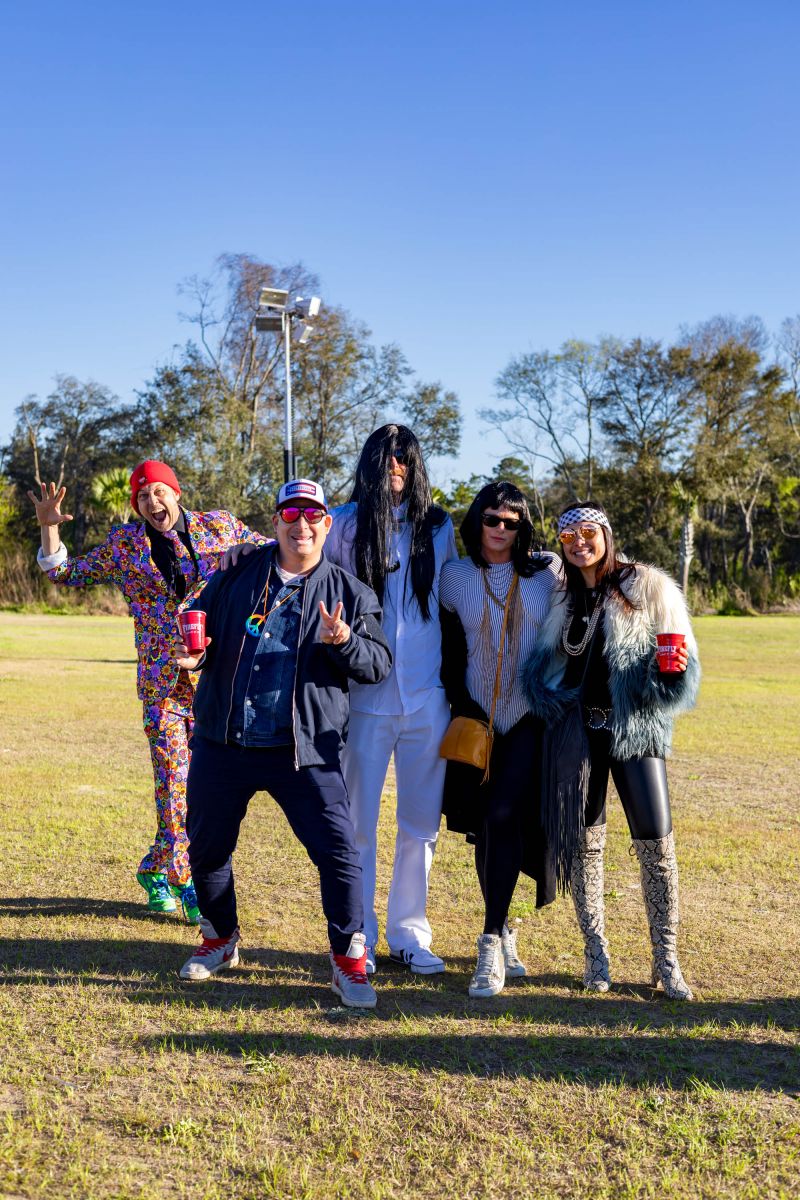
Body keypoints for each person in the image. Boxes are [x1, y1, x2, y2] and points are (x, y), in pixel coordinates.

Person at [174, 479, 392, 1009]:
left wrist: (343, 641)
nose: (302, 525)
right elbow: (195, 617)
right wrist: (197, 654)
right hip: (224, 739)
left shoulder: (352, 593)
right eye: (291, 515)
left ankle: (347, 960)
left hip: (305, 749)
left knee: (339, 853)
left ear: (327, 524)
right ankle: (220, 937)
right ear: (275, 522)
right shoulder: (235, 573)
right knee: (205, 848)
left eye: (313, 516)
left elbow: (378, 664)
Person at [28, 462, 269, 922]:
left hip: (216, 681)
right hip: (162, 689)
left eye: (160, 492)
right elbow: (64, 573)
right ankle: (189, 881)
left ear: (176, 493)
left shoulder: (218, 526)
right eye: (143, 497)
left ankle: (155, 869)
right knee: (175, 786)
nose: (153, 503)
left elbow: (275, 555)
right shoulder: (125, 545)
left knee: (207, 791)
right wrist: (48, 532)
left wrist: (244, 552)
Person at [523, 502, 700, 1000]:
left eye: (587, 533)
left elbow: (682, 662)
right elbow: (540, 669)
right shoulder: (564, 598)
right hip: (579, 736)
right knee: (585, 847)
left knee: (656, 842)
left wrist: (671, 672)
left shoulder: (647, 585)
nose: (579, 543)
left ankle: (666, 960)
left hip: (636, 730)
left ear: (605, 533)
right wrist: (551, 700)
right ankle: (595, 955)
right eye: (568, 537)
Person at [325, 425, 457, 976]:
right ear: (370, 462)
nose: (395, 465)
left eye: (404, 457)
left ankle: (409, 934)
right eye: (386, 456)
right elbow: (312, 577)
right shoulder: (343, 522)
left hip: (428, 697)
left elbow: (456, 593)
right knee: (357, 822)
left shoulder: (439, 525)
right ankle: (359, 934)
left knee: (420, 823)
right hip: (366, 697)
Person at [439, 481, 561, 997]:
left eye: (512, 523)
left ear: (523, 526)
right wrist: (460, 705)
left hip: (529, 716)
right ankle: (504, 926)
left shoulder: (545, 574)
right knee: (485, 829)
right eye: (492, 520)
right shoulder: (455, 578)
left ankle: (489, 942)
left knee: (505, 816)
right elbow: (448, 650)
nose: (501, 531)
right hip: (476, 717)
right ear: (477, 521)